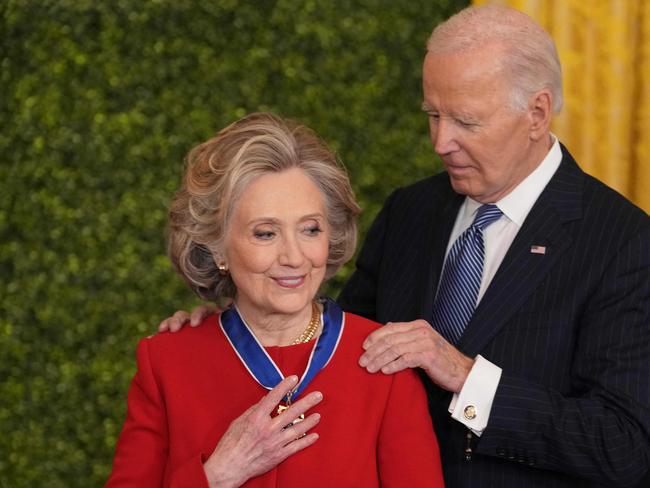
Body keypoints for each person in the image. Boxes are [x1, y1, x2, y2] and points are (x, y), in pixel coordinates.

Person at [161, 5, 650, 488]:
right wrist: (232, 325)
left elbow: (624, 446)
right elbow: (335, 341)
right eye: (433, 115)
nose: (440, 141)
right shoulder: (411, 210)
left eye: (465, 121)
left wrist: (465, 376)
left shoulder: (624, 243)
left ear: (537, 113)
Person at [106, 112, 445, 487]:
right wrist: (217, 475)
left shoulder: (384, 366)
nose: (294, 257)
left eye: (310, 229)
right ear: (217, 248)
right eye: (266, 233)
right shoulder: (167, 362)